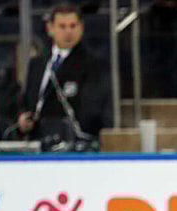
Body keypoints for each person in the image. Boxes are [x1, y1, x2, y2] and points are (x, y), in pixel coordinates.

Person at [16, 3, 110, 146]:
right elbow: (26, 101)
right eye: (62, 26)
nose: (68, 31)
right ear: (50, 28)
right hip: (36, 143)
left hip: (71, 144)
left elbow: (91, 110)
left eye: (73, 26)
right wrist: (23, 119)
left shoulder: (92, 64)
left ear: (81, 28)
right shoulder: (37, 63)